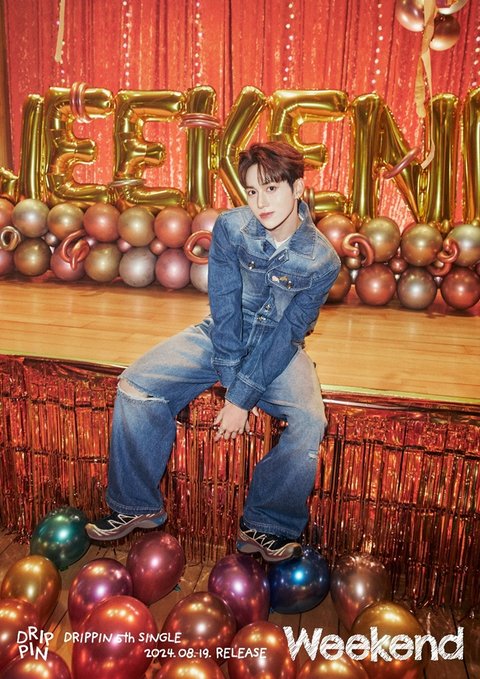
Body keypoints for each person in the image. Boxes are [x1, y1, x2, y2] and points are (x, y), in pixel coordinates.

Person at [86, 141, 340, 562]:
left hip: (278, 347)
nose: (261, 203)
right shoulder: (231, 227)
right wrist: (231, 375)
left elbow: (289, 333)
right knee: (135, 384)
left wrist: (241, 397)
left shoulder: (321, 260)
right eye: (252, 191)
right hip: (222, 333)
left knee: (310, 419)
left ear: (297, 189)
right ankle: (136, 504)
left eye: (271, 189)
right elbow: (223, 303)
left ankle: (265, 524)